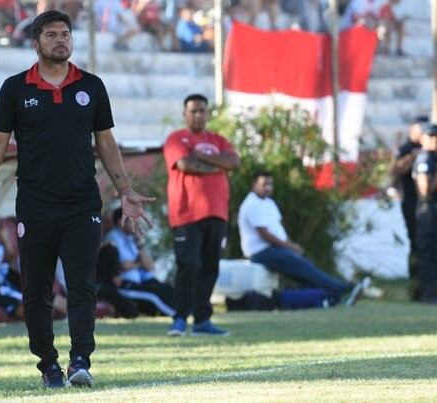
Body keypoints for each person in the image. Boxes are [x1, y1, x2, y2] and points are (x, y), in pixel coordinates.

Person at [0, 10, 154, 388]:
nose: (61, 39)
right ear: (35, 43)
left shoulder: (92, 86)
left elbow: (106, 143)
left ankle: (81, 359)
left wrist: (125, 191)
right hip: (35, 204)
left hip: (82, 204)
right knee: (37, 287)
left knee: (82, 284)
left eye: (65, 33)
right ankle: (48, 364)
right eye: (52, 35)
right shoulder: (15, 88)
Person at [163, 93, 240, 337]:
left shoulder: (218, 139)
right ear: (185, 114)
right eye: (193, 110)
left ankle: (202, 320)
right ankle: (179, 319)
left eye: (202, 110)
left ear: (208, 114)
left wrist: (203, 156)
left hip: (217, 212)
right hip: (187, 214)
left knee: (210, 266)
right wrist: (218, 166)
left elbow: (235, 162)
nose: (198, 115)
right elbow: (186, 165)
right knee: (189, 265)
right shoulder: (176, 138)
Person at [238, 171, 371, 306]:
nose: (268, 187)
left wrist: (289, 245)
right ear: (254, 184)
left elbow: (278, 230)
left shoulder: (268, 203)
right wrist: (290, 246)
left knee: (305, 268)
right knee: (302, 266)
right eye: (264, 184)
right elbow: (265, 235)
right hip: (262, 252)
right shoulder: (252, 204)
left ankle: (335, 295)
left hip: (275, 248)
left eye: (270, 184)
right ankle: (344, 289)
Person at [105, 208, 175, 317]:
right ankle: (176, 315)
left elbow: (149, 266)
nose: (134, 223)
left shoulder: (133, 238)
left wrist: (140, 243)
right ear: (120, 221)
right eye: (131, 220)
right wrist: (139, 264)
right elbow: (122, 265)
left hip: (143, 281)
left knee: (167, 290)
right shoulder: (113, 237)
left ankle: (186, 311)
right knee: (154, 296)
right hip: (127, 284)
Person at [390, 116, 429, 284]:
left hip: (427, 203)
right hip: (411, 202)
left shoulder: (429, 149)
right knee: (416, 240)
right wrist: (415, 156)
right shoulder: (406, 149)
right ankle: (416, 279)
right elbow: (395, 170)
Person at [412, 125, 437, 303]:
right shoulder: (425, 158)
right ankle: (428, 294)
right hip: (427, 210)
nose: (434, 140)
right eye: (431, 136)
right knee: (428, 253)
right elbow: (425, 189)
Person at [94, 243, 139, 318]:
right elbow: (117, 280)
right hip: (103, 288)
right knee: (131, 308)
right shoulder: (112, 250)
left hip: (93, 288)